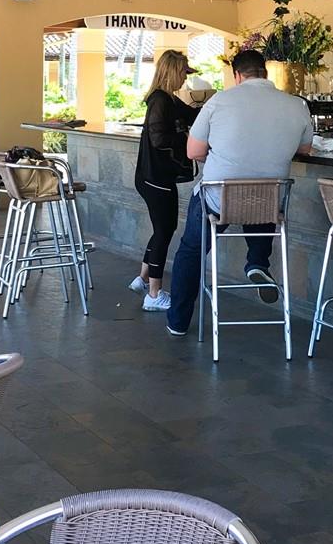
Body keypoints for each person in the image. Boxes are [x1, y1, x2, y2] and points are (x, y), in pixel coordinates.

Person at [164, 49, 313, 336]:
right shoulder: (296, 104)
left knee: (192, 250)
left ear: (237, 75)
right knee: (259, 196)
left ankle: (178, 321)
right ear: (265, 73)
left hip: (219, 198)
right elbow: (305, 149)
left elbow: (193, 151)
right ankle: (257, 263)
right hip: (269, 200)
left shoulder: (219, 101)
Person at [130, 50, 197, 311]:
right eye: (183, 73)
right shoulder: (160, 100)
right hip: (156, 177)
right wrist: (185, 140)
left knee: (162, 229)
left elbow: (193, 116)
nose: (185, 78)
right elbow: (159, 138)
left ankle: (142, 279)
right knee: (164, 231)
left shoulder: (168, 99)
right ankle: (154, 294)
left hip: (152, 177)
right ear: (172, 72)